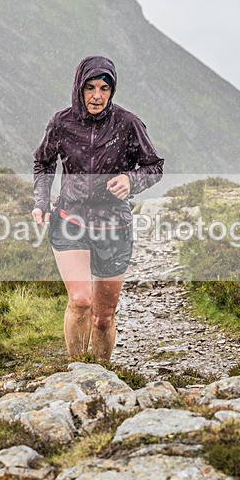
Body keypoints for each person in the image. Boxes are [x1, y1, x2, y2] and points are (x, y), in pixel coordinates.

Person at [32, 56, 165, 362]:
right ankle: (77, 372)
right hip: (70, 220)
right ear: (79, 88)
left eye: (104, 88)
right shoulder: (61, 123)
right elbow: (43, 163)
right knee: (80, 301)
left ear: (111, 90)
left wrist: (131, 181)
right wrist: (42, 201)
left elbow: (154, 167)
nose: (96, 96)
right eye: (90, 87)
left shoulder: (128, 124)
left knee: (103, 317)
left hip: (113, 226)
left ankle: (103, 376)